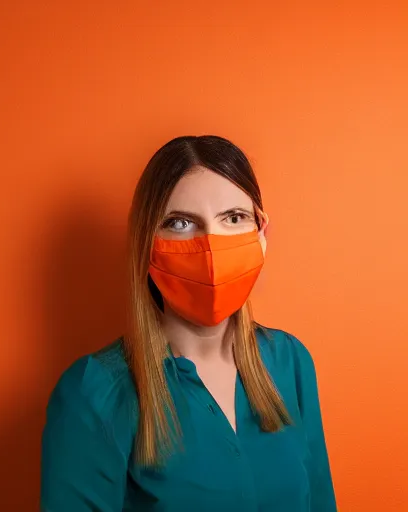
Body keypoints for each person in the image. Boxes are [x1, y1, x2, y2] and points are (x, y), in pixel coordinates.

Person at [40, 135, 337, 511]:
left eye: (234, 218)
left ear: (262, 235)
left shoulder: (290, 362)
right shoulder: (94, 393)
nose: (210, 246)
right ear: (146, 242)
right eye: (180, 223)